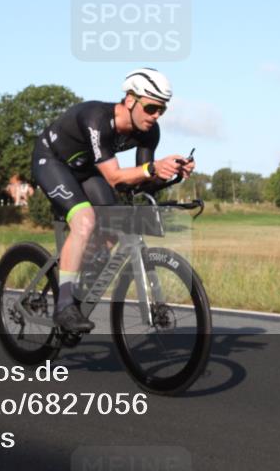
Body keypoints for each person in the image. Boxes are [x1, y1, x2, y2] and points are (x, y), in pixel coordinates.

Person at [31, 68, 195, 332]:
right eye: (151, 108)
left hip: (86, 171)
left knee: (112, 230)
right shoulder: (96, 119)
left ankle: (78, 290)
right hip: (52, 161)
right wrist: (153, 168)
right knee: (84, 221)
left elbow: (142, 179)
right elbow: (116, 178)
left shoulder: (149, 132)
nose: (155, 116)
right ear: (130, 100)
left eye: (161, 111)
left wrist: (170, 173)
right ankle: (64, 306)